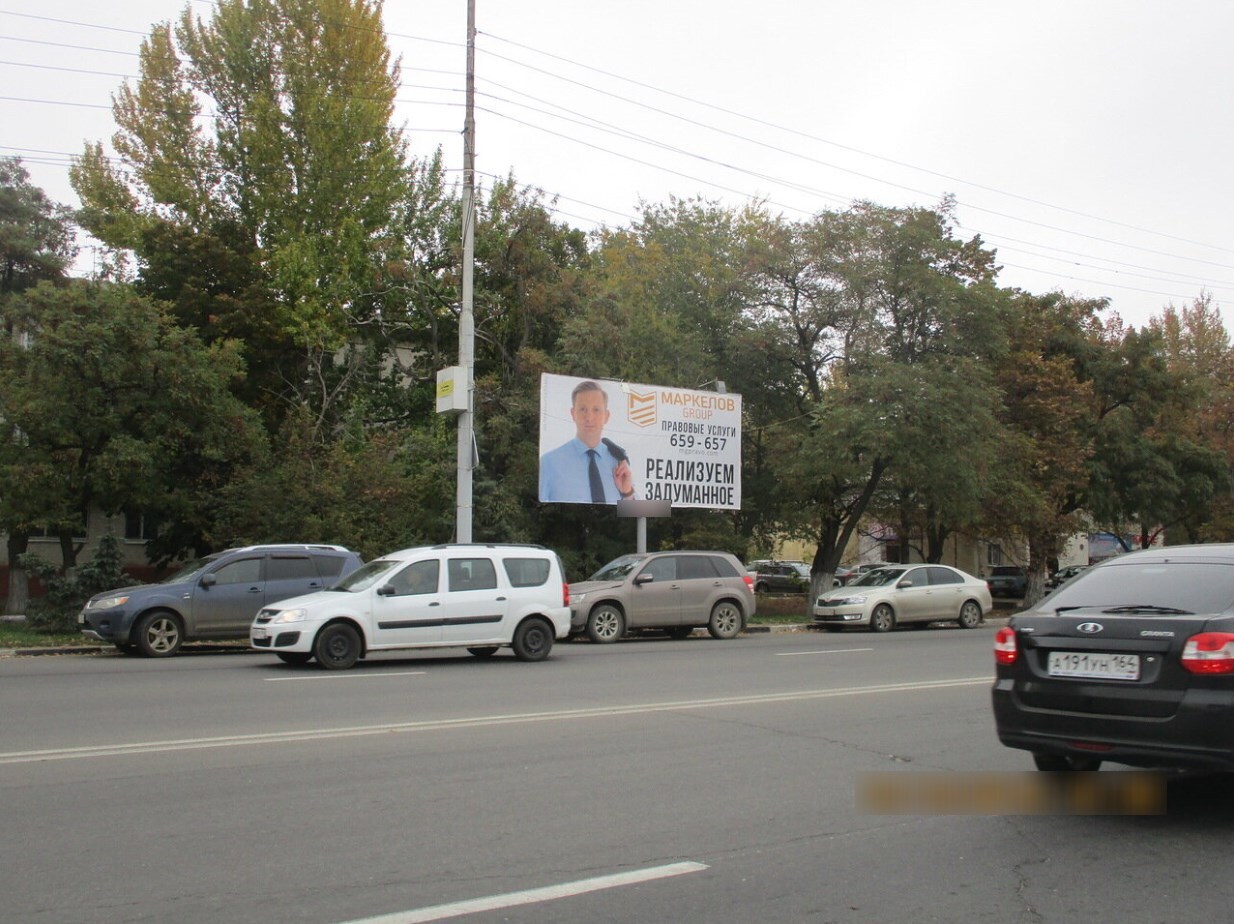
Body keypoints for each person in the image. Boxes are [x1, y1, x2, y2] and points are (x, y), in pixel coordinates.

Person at [539, 380, 636, 504]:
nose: (589, 417)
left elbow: (644, 516)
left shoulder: (619, 464)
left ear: (606, 416)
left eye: (596, 410)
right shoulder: (549, 463)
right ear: (573, 414)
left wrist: (627, 492)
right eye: (583, 409)